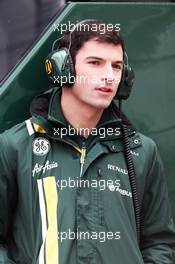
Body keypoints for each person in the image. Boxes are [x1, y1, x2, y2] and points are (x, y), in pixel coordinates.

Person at [0, 19, 175, 264]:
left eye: (116, 67)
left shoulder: (142, 151)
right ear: (64, 68)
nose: (108, 76)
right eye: (95, 63)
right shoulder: (15, 147)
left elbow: (159, 242)